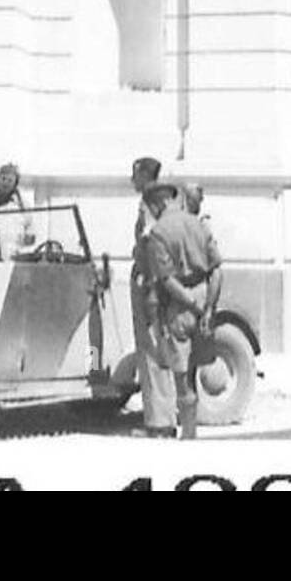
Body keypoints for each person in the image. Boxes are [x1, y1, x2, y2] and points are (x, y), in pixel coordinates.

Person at [142, 180, 223, 441]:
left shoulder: (158, 233)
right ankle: (193, 431)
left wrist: (191, 302)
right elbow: (217, 270)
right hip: (205, 297)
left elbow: (166, 279)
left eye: (151, 206)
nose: (151, 211)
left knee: (181, 377)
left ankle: (189, 435)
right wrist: (208, 308)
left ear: (159, 203)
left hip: (180, 305)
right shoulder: (199, 224)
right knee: (197, 369)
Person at [129, 156, 176, 437]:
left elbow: (148, 242)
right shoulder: (169, 200)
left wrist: (148, 286)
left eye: (134, 174)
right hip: (163, 281)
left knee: (151, 349)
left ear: (145, 175)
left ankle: (159, 423)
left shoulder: (148, 201)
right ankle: (165, 418)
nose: (131, 179)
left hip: (151, 282)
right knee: (162, 349)